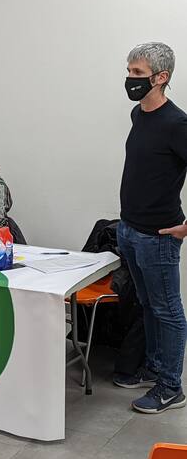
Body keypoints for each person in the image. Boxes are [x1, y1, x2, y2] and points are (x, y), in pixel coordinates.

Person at [114, 42, 187, 414]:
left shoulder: (177, 124)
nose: (130, 78)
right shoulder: (138, 114)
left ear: (161, 77)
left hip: (158, 236)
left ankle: (171, 387)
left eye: (138, 73)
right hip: (129, 229)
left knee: (168, 310)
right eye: (129, 70)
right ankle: (155, 368)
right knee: (148, 305)